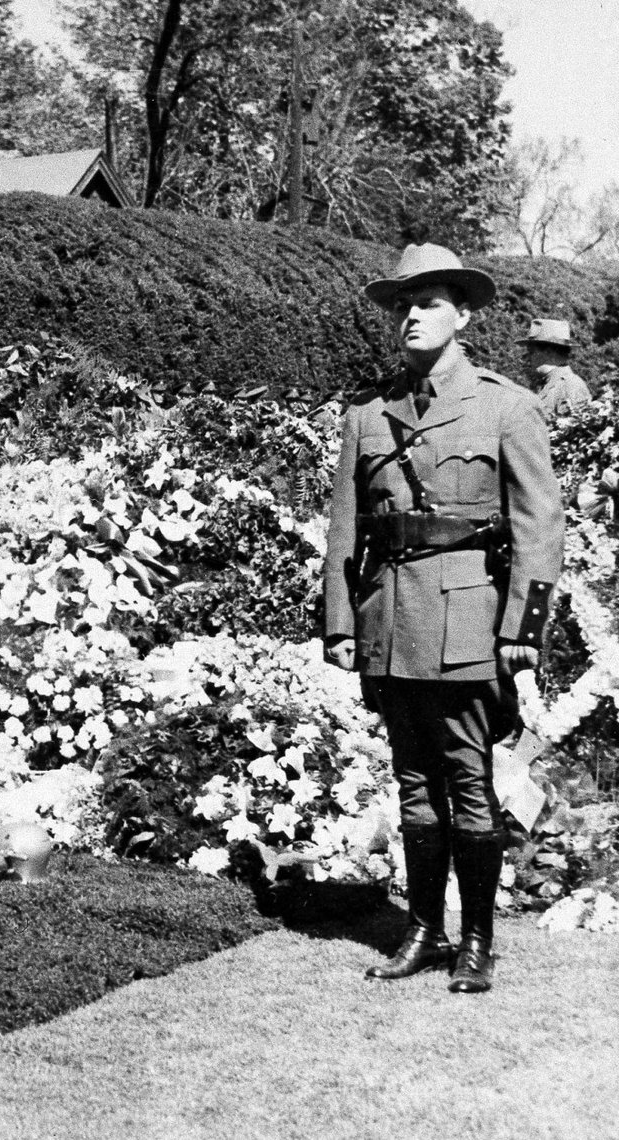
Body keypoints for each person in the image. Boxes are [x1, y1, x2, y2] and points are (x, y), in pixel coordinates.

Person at [322, 244, 564, 994]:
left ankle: (478, 943)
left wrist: (522, 630)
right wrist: (339, 623)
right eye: (403, 305)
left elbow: (539, 526)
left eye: (428, 302)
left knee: (467, 782)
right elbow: (344, 530)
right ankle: (424, 931)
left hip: (468, 622)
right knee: (413, 786)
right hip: (391, 620)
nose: (412, 317)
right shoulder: (367, 413)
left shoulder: (504, 405)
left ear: (463, 315)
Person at [516, 317, 592, 420]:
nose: (528, 357)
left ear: (548, 352)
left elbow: (577, 431)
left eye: (531, 351)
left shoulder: (571, 386)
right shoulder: (550, 384)